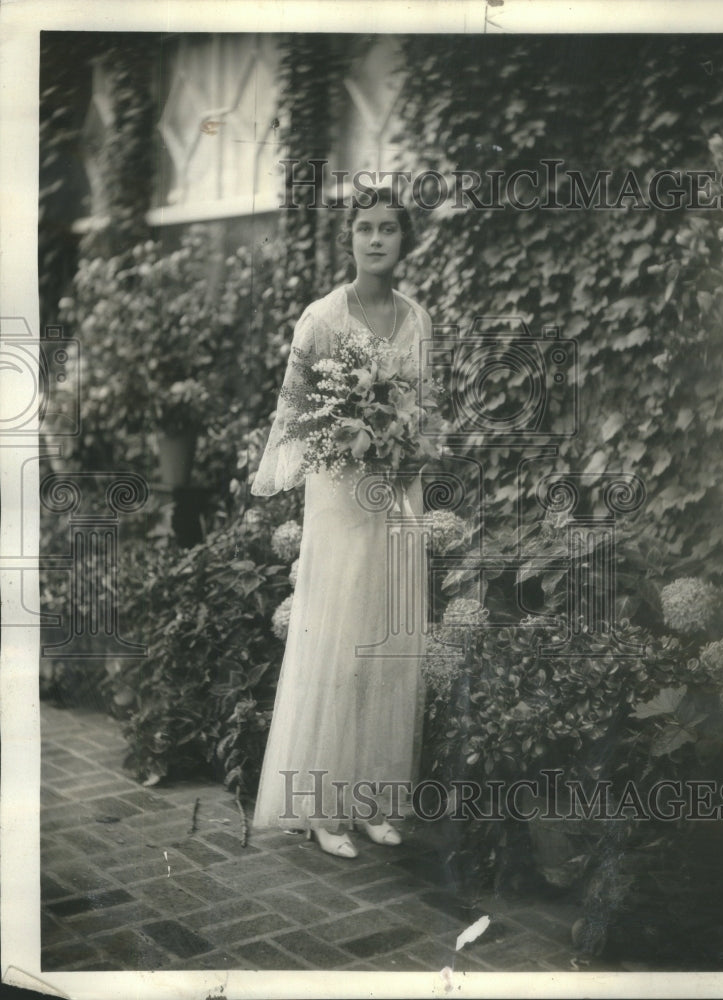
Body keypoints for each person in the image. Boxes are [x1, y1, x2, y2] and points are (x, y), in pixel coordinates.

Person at [250, 187, 433, 859]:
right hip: (339, 494)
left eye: (389, 229)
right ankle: (323, 808)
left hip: (394, 494)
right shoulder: (322, 318)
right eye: (365, 228)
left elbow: (424, 405)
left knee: (385, 640)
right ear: (349, 239)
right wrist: (334, 443)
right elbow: (294, 409)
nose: (376, 239)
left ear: (404, 239)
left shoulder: (415, 318)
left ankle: (374, 799)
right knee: (338, 640)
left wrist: (405, 450)